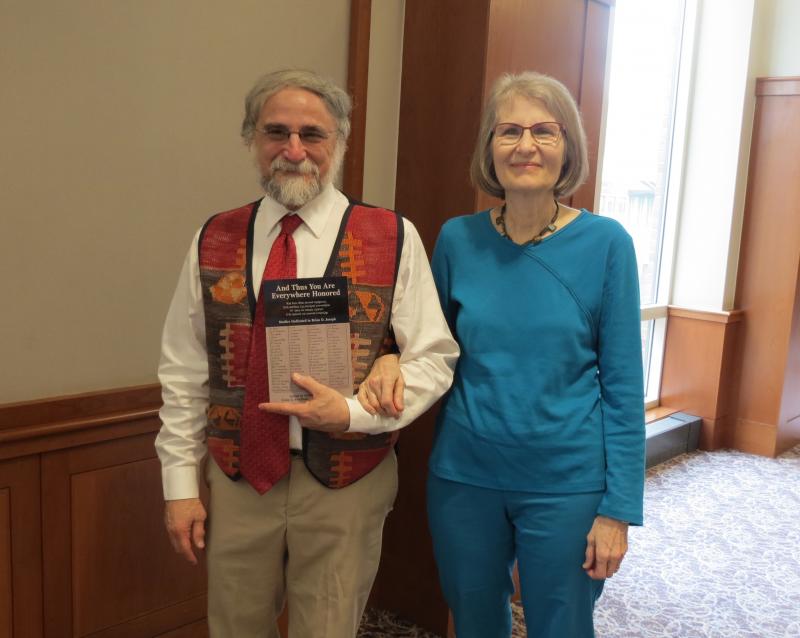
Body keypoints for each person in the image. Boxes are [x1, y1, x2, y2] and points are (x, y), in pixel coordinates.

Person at [155, 68, 458, 638]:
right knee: (235, 628)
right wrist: (179, 486)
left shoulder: (391, 235)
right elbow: (184, 369)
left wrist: (353, 413)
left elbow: (435, 357)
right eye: (276, 132)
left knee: (327, 629)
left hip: (348, 480)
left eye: (312, 135)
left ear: (339, 143)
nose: (294, 150)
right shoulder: (214, 236)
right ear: (252, 140)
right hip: (239, 479)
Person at [359, 71, 645, 637]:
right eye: (509, 130)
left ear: (569, 149)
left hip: (567, 482)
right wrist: (390, 356)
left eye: (545, 131)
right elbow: (426, 344)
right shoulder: (457, 240)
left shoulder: (607, 244)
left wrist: (618, 510)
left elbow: (623, 384)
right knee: (474, 622)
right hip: (465, 477)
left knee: (561, 624)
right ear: (490, 148)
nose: (526, 145)